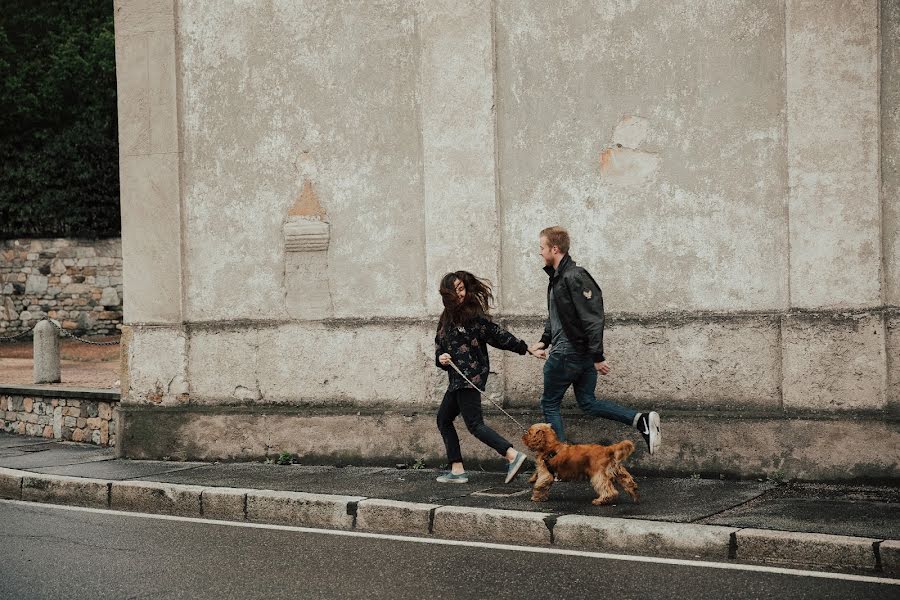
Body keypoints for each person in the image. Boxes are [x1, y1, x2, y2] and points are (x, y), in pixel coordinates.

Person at [528, 226, 661, 454]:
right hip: (575, 352)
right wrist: (544, 340)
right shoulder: (558, 278)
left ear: (555, 249)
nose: (540, 252)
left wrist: (598, 356)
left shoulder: (574, 276)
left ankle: (561, 461)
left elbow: (593, 318)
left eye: (542, 248)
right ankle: (640, 420)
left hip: (568, 353)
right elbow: (557, 315)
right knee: (587, 403)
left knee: (549, 404)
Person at [434, 271, 530, 484]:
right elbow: (439, 347)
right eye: (455, 290)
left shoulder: (472, 316)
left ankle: (512, 455)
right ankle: (457, 470)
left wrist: (525, 348)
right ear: (446, 293)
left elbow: (498, 335)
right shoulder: (445, 319)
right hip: (456, 380)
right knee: (443, 419)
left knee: (475, 424)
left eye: (462, 288)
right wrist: (441, 358)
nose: (460, 294)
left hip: (470, 379)